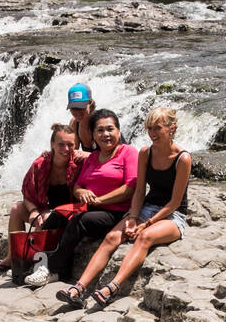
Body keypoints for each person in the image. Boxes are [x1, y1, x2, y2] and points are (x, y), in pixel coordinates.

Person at [58, 105, 192, 309]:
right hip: (147, 208)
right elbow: (139, 191)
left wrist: (146, 224)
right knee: (112, 237)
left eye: (158, 128)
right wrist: (132, 217)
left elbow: (175, 202)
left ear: (171, 128)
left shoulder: (183, 158)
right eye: (150, 129)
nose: (152, 133)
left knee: (145, 237)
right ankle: (78, 288)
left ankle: (111, 288)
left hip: (173, 215)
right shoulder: (146, 153)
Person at [28, 109, 137, 288]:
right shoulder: (92, 157)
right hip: (90, 208)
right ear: (93, 135)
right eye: (100, 131)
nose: (105, 134)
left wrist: (99, 201)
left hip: (116, 213)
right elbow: (78, 186)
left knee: (80, 221)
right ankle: (41, 263)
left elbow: (129, 189)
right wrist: (80, 193)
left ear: (118, 130)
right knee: (57, 215)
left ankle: (51, 269)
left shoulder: (128, 152)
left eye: (110, 129)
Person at [0, 124, 85, 274]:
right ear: (52, 144)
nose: (66, 149)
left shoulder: (79, 163)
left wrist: (89, 155)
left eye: (70, 145)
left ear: (76, 145)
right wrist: (33, 211)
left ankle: (37, 263)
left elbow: (101, 160)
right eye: (61, 144)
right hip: (46, 211)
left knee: (45, 217)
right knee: (16, 209)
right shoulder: (41, 164)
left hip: (71, 215)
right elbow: (27, 194)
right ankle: (12, 257)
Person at [66, 83, 97, 153]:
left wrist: (88, 155)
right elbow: (72, 151)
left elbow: (110, 154)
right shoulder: (74, 123)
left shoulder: (100, 122)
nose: (77, 112)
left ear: (90, 103)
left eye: (81, 107)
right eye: (73, 108)